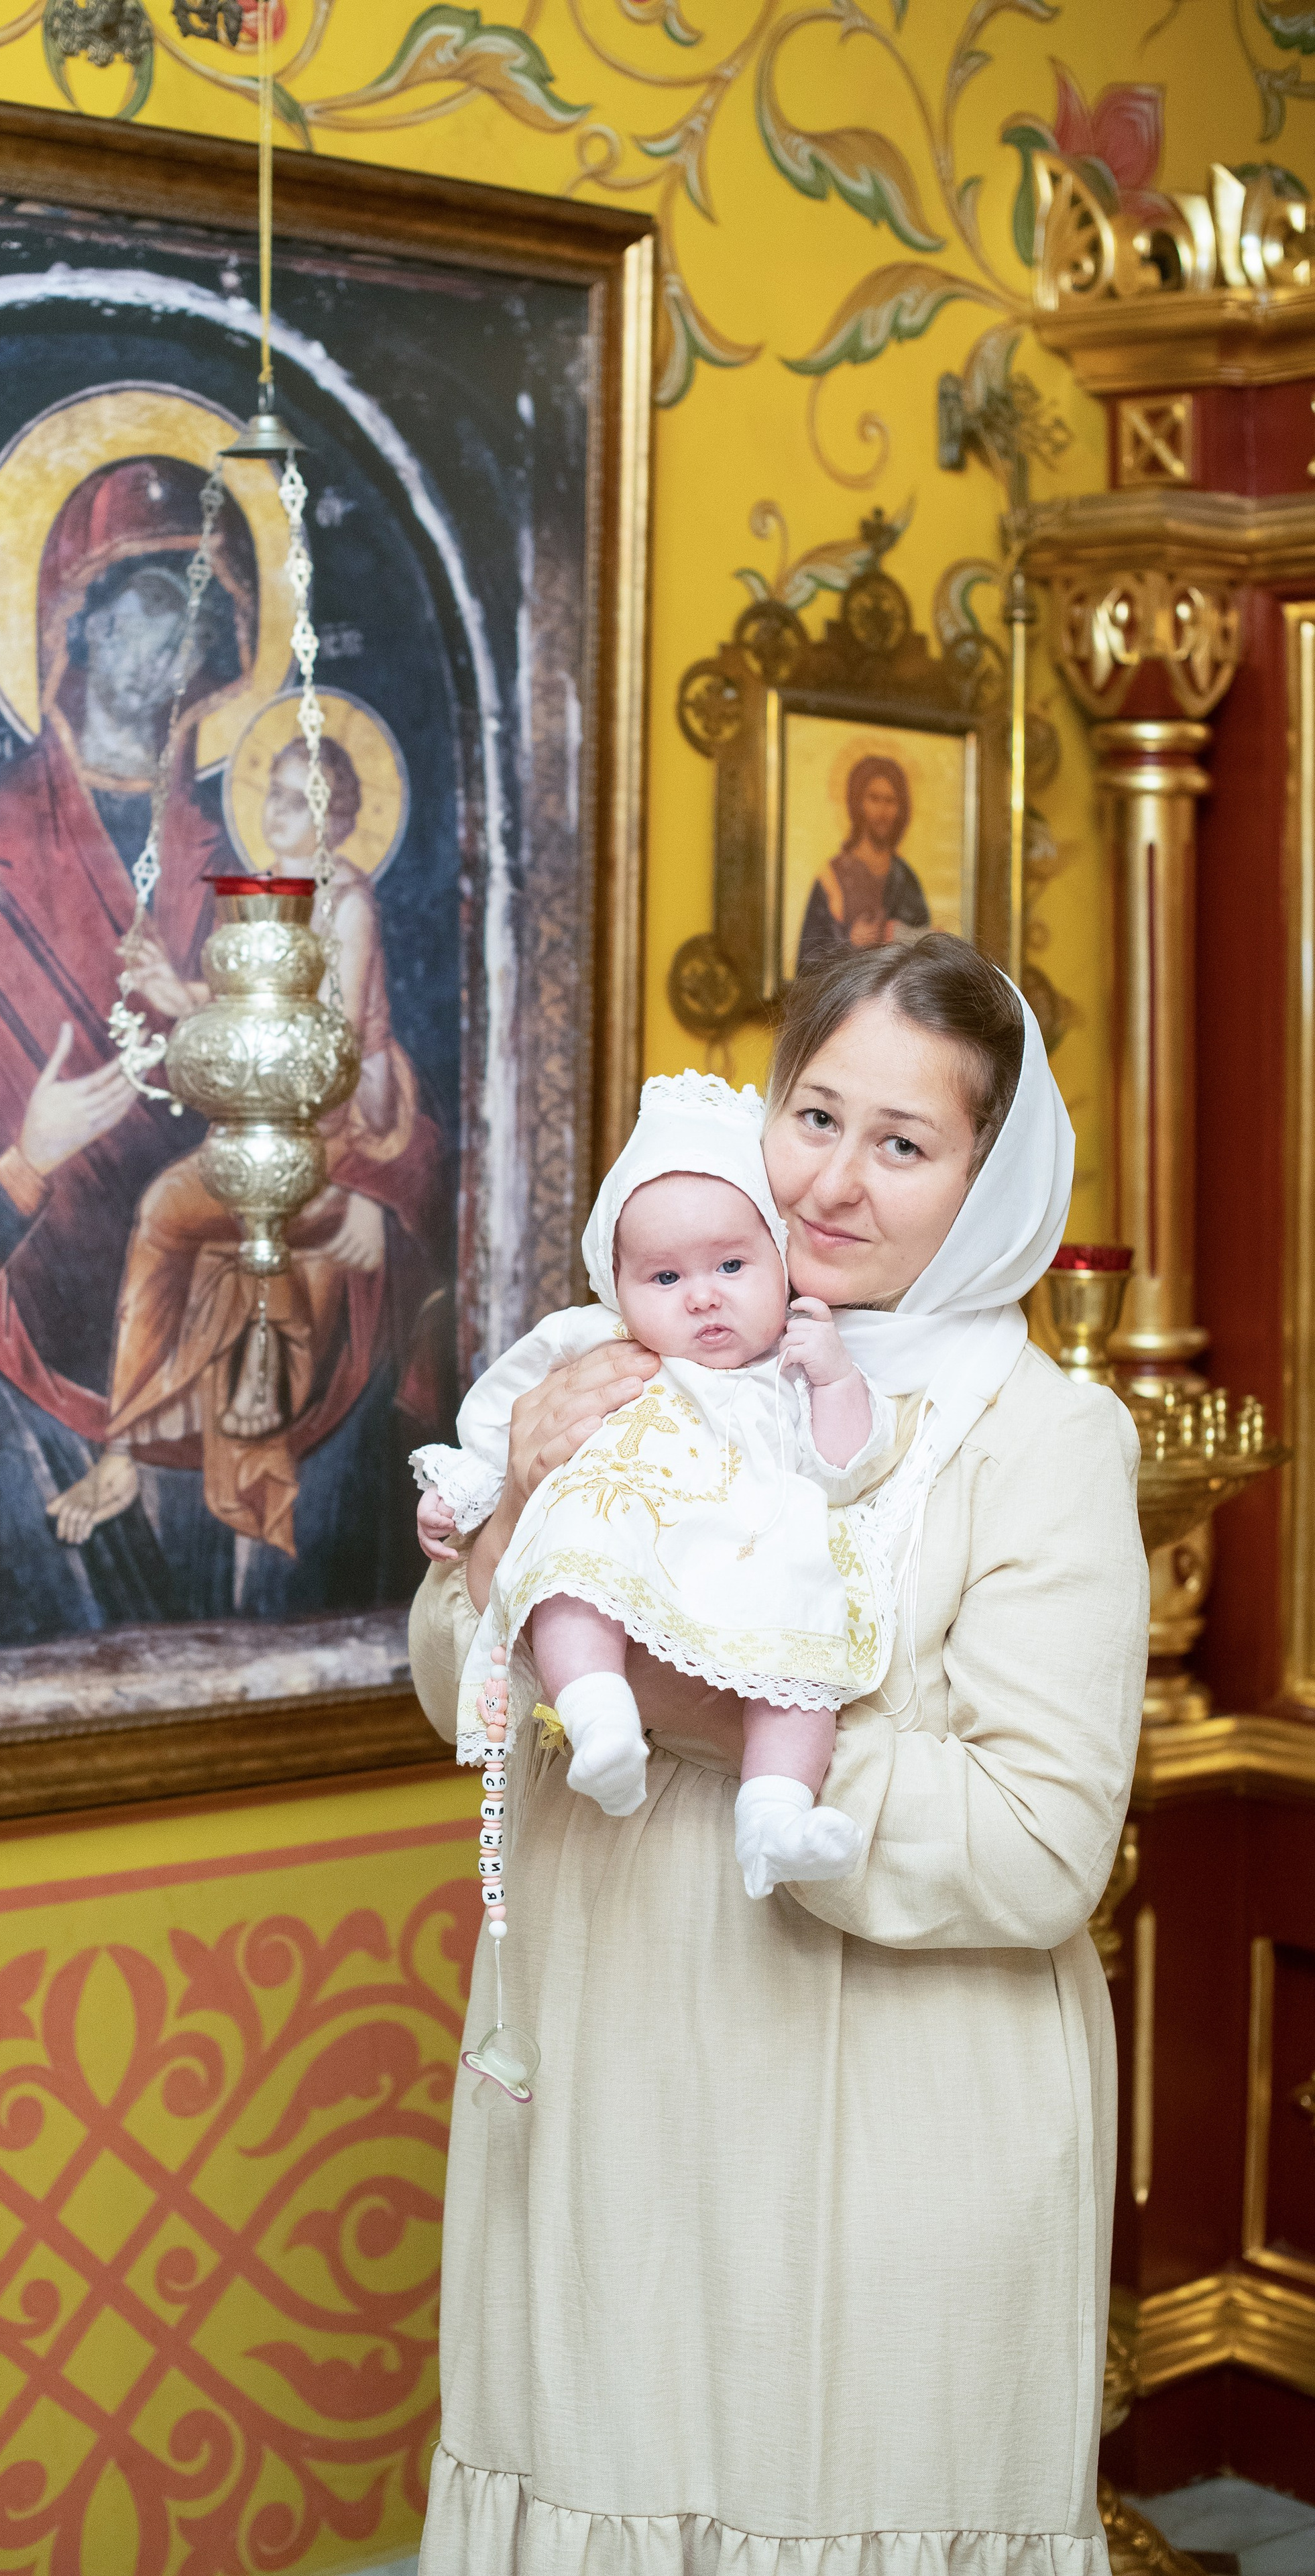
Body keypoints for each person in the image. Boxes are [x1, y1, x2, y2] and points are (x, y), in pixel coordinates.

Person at [408, 932, 1148, 2576]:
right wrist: (518, 1510)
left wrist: (705, 1708)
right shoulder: (633, 1347)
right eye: (812, 1114)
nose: (828, 1182)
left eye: (902, 1141)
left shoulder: (1035, 1440)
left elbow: (1035, 1842)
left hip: (883, 2132)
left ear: (989, 1176)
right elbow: (449, 1678)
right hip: (602, 2095)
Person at [0, 454, 443, 1668]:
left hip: (280, 1362)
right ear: (65, 625)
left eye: (208, 609)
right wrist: (22, 1170)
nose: (175, 637)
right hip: (22, 1420)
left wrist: (379, 1203)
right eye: (145, 598)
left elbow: (377, 1098)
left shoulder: (265, 864)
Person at [412, 1072, 893, 1895]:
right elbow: (499, 1414)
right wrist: (461, 1489)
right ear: (616, 1285)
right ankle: (597, 1718)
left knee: (800, 1664)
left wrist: (838, 1383)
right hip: (625, 1534)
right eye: (663, 1280)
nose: (703, 1295)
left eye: (733, 1264)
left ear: (781, 1263)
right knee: (571, 1582)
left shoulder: (793, 1364)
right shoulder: (592, 1342)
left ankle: (774, 1815)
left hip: (752, 1560)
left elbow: (844, 1468)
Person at [48, 732, 426, 1561]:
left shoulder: (346, 902)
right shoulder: (280, 895)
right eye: (272, 795)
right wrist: (172, 993)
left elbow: (322, 1037)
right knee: (162, 1215)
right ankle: (127, 1451)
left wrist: (363, 1179)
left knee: (169, 1218)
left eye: (298, 799)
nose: (276, 812)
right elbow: (264, 1015)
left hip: (326, 1129)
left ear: (339, 816)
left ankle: (130, 1449)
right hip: (270, 1118)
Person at [795, 750, 931, 973]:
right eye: (874, 798)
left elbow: (924, 960)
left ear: (900, 809)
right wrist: (851, 942)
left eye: (890, 801)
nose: (882, 811)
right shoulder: (832, 878)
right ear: (858, 803)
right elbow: (807, 963)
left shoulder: (905, 879)